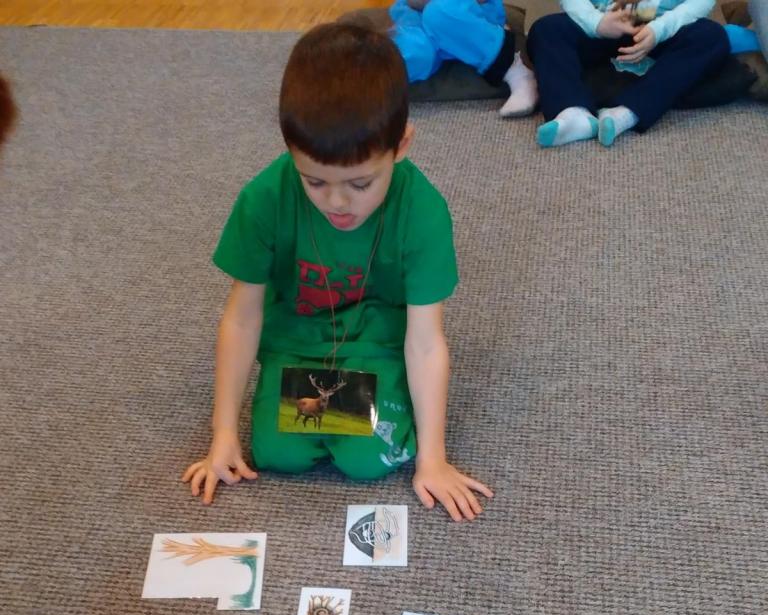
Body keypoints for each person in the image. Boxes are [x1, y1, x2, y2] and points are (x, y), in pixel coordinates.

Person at [183, 22, 493, 522]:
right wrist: (222, 434)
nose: (337, 202)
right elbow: (241, 318)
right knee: (277, 453)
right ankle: (329, 408)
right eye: (314, 181)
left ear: (402, 145)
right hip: (297, 342)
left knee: (366, 460)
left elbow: (426, 341)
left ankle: (378, 405)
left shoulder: (423, 212)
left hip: (379, 346)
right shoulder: (264, 198)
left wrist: (433, 460)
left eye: (360, 183)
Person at [527, 0, 729, 146]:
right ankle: (573, 112)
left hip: (660, 25)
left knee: (712, 36)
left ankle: (627, 112)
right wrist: (596, 23)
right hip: (603, 22)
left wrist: (659, 30)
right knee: (545, 29)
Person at [390, 0, 538, 116]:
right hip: (416, 17)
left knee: (438, 13)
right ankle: (378, 84)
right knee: (412, 51)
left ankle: (516, 72)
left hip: (463, 13)